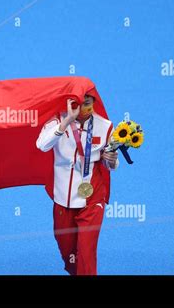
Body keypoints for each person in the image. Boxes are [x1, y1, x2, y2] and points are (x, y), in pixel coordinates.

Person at [36, 94, 119, 275]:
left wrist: (111, 160)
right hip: (63, 197)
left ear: (94, 103)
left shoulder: (105, 127)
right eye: (77, 105)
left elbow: (111, 165)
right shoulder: (57, 121)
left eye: (87, 104)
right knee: (68, 250)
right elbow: (42, 145)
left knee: (87, 251)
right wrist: (66, 122)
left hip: (92, 196)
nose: (82, 109)